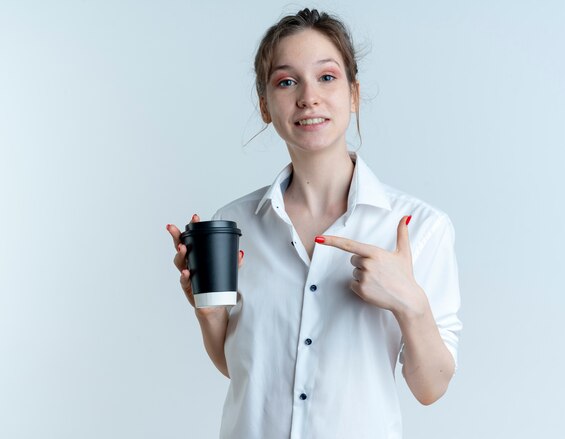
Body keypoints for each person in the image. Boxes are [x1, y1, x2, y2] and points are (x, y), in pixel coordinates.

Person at [166, 8, 462, 439]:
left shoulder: (420, 228)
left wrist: (409, 302)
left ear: (354, 94)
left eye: (327, 77)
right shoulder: (233, 224)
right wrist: (208, 315)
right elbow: (243, 370)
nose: (309, 97)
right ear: (266, 106)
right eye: (287, 81)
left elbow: (431, 387)